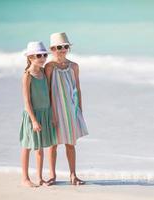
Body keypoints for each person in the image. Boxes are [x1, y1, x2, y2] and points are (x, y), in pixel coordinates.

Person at [45, 32, 89, 186]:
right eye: (59, 47)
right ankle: (52, 175)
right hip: (55, 110)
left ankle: (73, 175)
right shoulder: (49, 67)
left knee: (70, 143)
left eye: (65, 46)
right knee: (53, 144)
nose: (62, 49)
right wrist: (50, 112)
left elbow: (78, 88)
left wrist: (80, 110)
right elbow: (48, 90)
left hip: (70, 109)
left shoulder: (74, 66)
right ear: (52, 49)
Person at [20, 41, 57, 187]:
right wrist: (34, 120)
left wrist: (52, 113)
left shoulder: (43, 72)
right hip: (32, 115)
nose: (42, 58)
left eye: (44, 55)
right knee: (28, 146)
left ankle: (40, 178)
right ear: (30, 57)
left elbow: (48, 93)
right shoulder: (27, 75)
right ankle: (24, 178)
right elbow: (27, 101)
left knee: (40, 148)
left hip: (45, 113)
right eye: (38, 55)